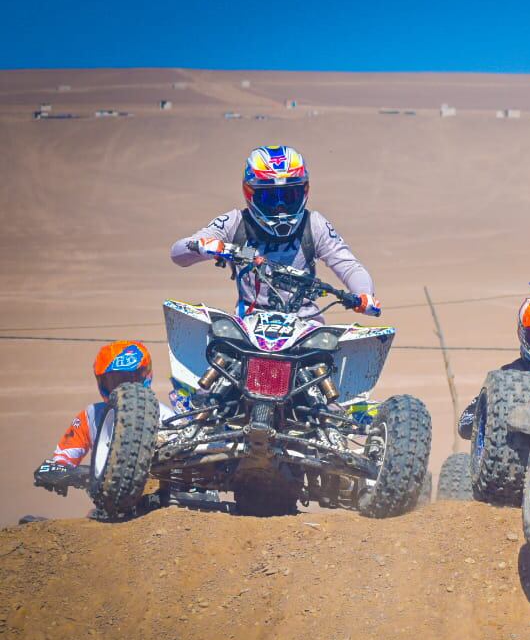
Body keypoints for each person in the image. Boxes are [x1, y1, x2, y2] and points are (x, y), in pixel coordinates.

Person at [170, 145, 380, 318]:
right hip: (248, 325)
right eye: (270, 198)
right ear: (250, 193)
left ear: (303, 192)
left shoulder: (314, 224)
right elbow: (178, 254)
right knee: (213, 343)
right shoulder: (234, 222)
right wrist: (206, 247)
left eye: (288, 197)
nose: (280, 207)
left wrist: (364, 295)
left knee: (336, 354)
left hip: (307, 323)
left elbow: (348, 265)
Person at [34, 341, 174, 494]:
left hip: (161, 499)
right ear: (101, 383)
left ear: (145, 375)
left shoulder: (167, 416)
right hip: (110, 502)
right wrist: (58, 470)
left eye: (128, 379)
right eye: (114, 381)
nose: (123, 389)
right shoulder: (91, 415)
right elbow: (63, 457)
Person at [458, 297, 530, 440]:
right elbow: (465, 424)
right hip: (525, 456)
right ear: (525, 337)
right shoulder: (511, 375)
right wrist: (496, 414)